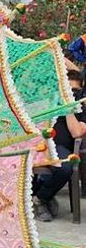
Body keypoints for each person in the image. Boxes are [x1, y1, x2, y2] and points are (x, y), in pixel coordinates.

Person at [33, 69, 86, 221]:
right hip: (38, 146)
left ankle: (41, 199)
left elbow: (77, 133)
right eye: (68, 90)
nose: (71, 94)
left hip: (61, 149)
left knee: (65, 167)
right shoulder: (48, 103)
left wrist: (69, 108)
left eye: (75, 91)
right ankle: (41, 196)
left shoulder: (82, 109)